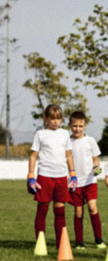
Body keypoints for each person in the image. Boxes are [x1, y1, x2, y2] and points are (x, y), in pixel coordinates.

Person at [27, 104, 76, 251]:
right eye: (53, 119)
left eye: (59, 119)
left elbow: (68, 155)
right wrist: (31, 176)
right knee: (42, 210)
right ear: (46, 119)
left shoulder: (64, 134)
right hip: (44, 177)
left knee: (60, 210)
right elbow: (33, 156)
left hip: (61, 177)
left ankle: (60, 244)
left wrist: (73, 174)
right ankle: (39, 243)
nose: (56, 122)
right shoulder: (40, 134)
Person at [68, 111, 106, 250]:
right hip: (75, 184)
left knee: (92, 207)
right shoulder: (67, 142)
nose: (77, 129)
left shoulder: (90, 141)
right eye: (74, 126)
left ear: (85, 126)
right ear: (69, 126)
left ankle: (99, 239)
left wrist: (96, 168)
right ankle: (79, 241)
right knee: (78, 212)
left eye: (80, 126)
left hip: (90, 182)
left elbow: (95, 158)